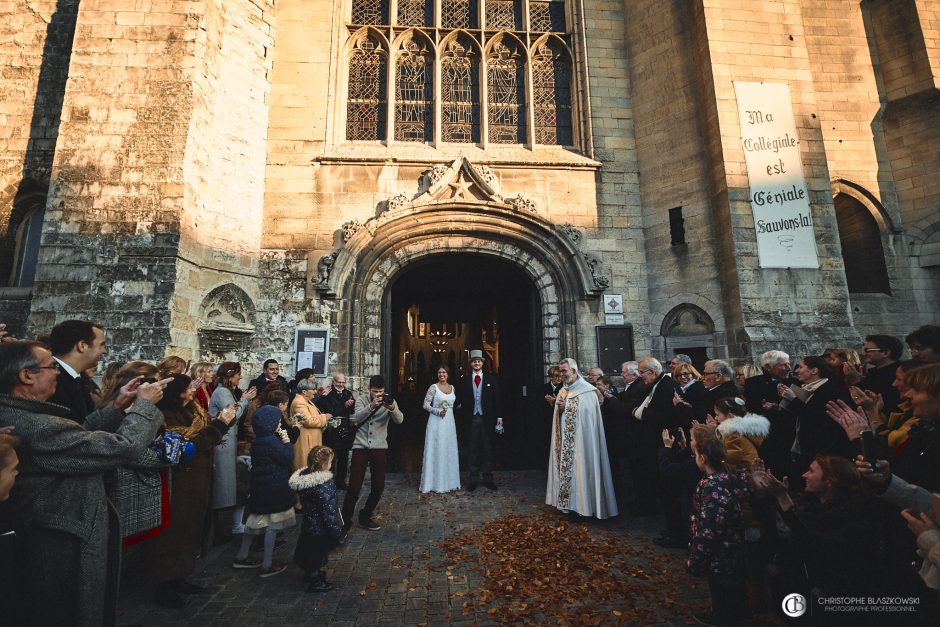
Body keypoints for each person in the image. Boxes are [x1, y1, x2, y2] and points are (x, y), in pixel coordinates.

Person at [0, 340, 168, 626]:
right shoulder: (36, 425)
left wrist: (116, 406)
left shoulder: (27, 416)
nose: (57, 373)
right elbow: (123, 447)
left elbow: (77, 438)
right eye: (51, 367)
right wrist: (143, 407)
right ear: (26, 376)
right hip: (61, 540)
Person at [145, 375, 239, 608]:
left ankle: (179, 575)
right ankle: (163, 584)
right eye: (188, 388)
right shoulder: (165, 416)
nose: (192, 391)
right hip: (179, 482)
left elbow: (208, 428)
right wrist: (218, 426)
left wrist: (225, 419)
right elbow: (188, 444)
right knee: (173, 533)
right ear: (178, 393)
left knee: (190, 529)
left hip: (199, 478)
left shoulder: (194, 409)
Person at [753, 455, 879, 602]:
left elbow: (813, 540)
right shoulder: (808, 503)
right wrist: (760, 492)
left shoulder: (854, 514)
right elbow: (771, 522)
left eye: (811, 471)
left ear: (830, 481)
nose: (804, 475)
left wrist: (782, 497)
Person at [686, 424, 748, 627]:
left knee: (722, 587)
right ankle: (734, 614)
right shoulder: (726, 478)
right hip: (732, 547)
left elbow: (709, 528)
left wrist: (696, 559)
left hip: (721, 551)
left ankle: (724, 618)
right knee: (732, 586)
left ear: (703, 458)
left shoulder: (713, 487)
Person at [546, 358, 618, 519]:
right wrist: (560, 408)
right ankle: (567, 504)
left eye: (564, 371)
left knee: (582, 471)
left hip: (583, 443)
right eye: (560, 371)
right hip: (565, 442)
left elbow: (588, 416)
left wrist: (567, 407)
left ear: (574, 370)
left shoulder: (587, 391)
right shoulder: (563, 390)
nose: (562, 374)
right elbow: (559, 414)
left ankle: (583, 507)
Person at [232, 406, 296, 577]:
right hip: (274, 488)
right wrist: (287, 441)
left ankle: (242, 556)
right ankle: (267, 564)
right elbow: (287, 457)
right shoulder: (271, 441)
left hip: (260, 488)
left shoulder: (259, 440)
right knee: (272, 526)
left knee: (254, 522)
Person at [341, 375, 403, 535]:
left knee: (378, 486)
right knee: (354, 487)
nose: (378, 395)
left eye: (380, 392)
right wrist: (371, 406)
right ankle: (344, 523)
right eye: (375, 391)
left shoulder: (389, 400)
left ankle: (365, 515)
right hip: (360, 447)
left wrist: (392, 409)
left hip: (379, 447)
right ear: (369, 390)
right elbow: (354, 419)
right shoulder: (362, 399)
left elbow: (400, 420)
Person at [209, 362, 257, 533]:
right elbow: (232, 415)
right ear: (230, 376)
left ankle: (225, 525)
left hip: (227, 443)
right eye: (238, 374)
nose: (240, 377)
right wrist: (245, 400)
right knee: (222, 484)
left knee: (227, 484)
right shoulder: (222, 392)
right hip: (223, 444)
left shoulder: (225, 391)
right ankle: (221, 528)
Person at [290, 445, 344, 593]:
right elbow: (329, 511)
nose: (331, 465)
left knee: (308, 550)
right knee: (316, 554)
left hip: (309, 524)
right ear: (323, 464)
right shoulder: (324, 485)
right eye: (331, 462)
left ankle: (310, 573)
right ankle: (314, 580)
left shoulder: (306, 480)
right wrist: (336, 529)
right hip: (321, 527)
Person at [455, 349, 504, 491]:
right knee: (472, 449)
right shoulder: (463, 381)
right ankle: (473, 479)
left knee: (487, 449)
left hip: (487, 419)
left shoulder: (491, 379)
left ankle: (488, 478)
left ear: (482, 363)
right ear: (471, 364)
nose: (476, 363)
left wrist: (499, 417)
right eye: (474, 361)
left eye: (479, 361)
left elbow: (497, 399)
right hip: (471, 419)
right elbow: (457, 399)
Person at [47, 319, 108, 423]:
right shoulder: (49, 379)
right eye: (101, 345)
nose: (104, 351)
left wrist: (117, 406)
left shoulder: (77, 379)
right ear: (82, 346)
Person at [420, 365, 460, 493]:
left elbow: (454, 405)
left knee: (448, 450)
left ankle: (449, 482)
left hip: (449, 424)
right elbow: (425, 405)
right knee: (436, 450)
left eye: (444, 372)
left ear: (448, 374)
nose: (442, 374)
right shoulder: (433, 387)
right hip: (436, 423)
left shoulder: (452, 388)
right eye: (439, 372)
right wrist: (437, 411)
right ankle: (434, 483)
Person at [318, 373, 356, 489]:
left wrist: (350, 406)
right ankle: (330, 481)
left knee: (344, 457)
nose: (341, 384)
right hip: (332, 429)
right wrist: (344, 405)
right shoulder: (328, 394)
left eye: (343, 382)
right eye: (338, 382)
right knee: (332, 456)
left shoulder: (348, 393)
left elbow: (351, 411)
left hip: (345, 428)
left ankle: (340, 481)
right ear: (333, 382)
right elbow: (330, 411)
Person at [713, 396, 770, 470]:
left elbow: (730, 459)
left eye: (718, 415)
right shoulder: (740, 431)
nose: (715, 418)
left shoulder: (732, 434)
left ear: (730, 416)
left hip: (744, 474)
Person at [290, 378, 330, 471]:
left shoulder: (307, 401)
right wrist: (324, 417)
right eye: (313, 390)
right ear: (304, 391)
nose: (315, 392)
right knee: (305, 470)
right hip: (305, 442)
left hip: (311, 441)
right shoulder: (299, 403)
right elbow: (308, 421)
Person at [860, 334, 903, 415]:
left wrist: (855, 381)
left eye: (868, 351)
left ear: (886, 353)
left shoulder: (899, 373)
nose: (864, 354)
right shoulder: (874, 372)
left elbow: (868, 399)